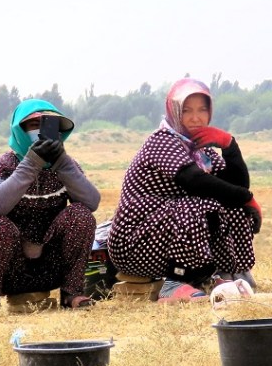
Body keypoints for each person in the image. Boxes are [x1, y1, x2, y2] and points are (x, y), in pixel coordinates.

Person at [108, 78, 261, 302]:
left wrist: (230, 146)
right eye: (186, 110)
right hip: (135, 242)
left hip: (173, 241)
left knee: (230, 202)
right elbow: (193, 180)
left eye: (202, 110)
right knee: (201, 203)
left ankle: (229, 272)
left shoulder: (200, 149)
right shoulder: (162, 141)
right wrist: (247, 198)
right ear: (173, 111)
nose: (195, 117)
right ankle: (174, 284)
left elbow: (235, 186)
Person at [0, 99, 100, 309]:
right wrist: (32, 162)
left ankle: (72, 293)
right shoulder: (0, 165)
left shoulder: (66, 166)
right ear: (20, 131)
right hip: (9, 269)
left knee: (81, 215)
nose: (40, 131)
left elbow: (91, 202)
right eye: (34, 125)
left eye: (47, 125)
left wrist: (61, 162)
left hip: (50, 267)